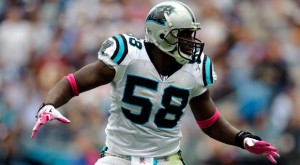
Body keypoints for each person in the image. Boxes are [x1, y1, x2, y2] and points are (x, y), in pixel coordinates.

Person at [31, 1, 280, 165]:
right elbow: (73, 83)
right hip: (119, 157)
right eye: (182, 34)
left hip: (165, 159)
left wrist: (243, 139)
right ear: (161, 34)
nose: (190, 41)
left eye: (191, 34)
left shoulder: (196, 68)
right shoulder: (127, 55)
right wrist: (49, 104)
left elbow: (210, 122)